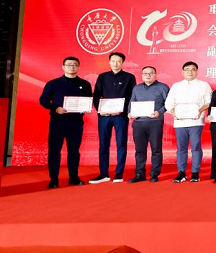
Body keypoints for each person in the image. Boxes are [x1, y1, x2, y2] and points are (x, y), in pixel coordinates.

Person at [38, 56, 92, 188]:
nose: (72, 67)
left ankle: (73, 177)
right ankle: (54, 179)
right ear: (63, 67)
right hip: (58, 122)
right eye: (69, 65)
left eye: (75, 65)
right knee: (54, 150)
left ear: (79, 67)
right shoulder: (53, 83)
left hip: (76, 122)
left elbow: (88, 100)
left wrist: (86, 107)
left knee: (74, 150)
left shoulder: (85, 84)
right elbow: (43, 100)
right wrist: (55, 108)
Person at [91, 51, 136, 183]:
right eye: (113, 61)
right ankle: (103, 174)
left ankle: (119, 173)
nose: (115, 63)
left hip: (120, 116)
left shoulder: (129, 77)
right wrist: (100, 110)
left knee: (121, 143)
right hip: (104, 116)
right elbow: (96, 95)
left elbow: (132, 96)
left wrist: (123, 110)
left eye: (118, 61)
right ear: (109, 62)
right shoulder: (102, 77)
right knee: (103, 144)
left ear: (122, 62)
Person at [164, 61, 212, 183]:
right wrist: (173, 111)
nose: (190, 72)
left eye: (193, 69)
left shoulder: (204, 85)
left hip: (196, 121)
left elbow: (209, 101)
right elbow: (168, 102)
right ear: (182, 72)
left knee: (196, 147)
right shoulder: (176, 86)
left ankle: (195, 173)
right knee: (181, 148)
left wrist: (199, 110)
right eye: (187, 69)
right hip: (180, 122)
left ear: (197, 71)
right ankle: (181, 173)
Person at [128, 66, 169, 183]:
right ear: (142, 75)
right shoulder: (137, 88)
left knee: (156, 149)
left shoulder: (163, 87)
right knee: (139, 150)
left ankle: (154, 174)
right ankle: (139, 174)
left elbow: (169, 104)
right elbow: (132, 102)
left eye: (151, 73)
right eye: (145, 73)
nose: (148, 75)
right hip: (138, 123)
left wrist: (159, 112)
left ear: (156, 75)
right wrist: (130, 112)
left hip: (155, 122)